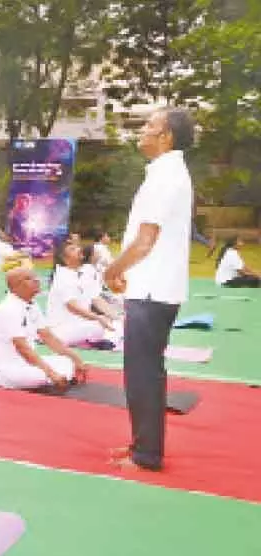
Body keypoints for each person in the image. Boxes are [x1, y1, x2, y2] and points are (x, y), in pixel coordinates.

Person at [104, 108, 196, 471]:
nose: (141, 131)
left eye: (149, 126)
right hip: (153, 286)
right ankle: (143, 446)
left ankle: (146, 455)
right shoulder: (166, 173)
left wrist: (113, 269)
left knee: (142, 373)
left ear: (167, 137)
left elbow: (145, 242)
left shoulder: (166, 177)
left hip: (151, 289)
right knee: (144, 372)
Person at [0, 266, 89, 390]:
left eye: (35, 277)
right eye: (29, 279)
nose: (36, 281)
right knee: (41, 375)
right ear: (15, 286)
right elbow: (23, 348)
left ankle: (57, 377)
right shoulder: (9, 309)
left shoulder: (32, 304)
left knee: (66, 361)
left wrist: (76, 359)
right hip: (4, 369)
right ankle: (54, 378)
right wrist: (51, 373)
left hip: (24, 363)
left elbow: (48, 337)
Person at [46, 242, 119, 345]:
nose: (79, 249)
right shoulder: (62, 276)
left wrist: (117, 317)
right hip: (61, 329)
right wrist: (98, 317)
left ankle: (104, 340)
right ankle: (103, 341)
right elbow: (72, 306)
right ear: (64, 259)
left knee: (118, 324)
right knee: (99, 326)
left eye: (77, 247)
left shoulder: (84, 272)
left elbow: (96, 299)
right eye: (72, 249)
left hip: (80, 325)